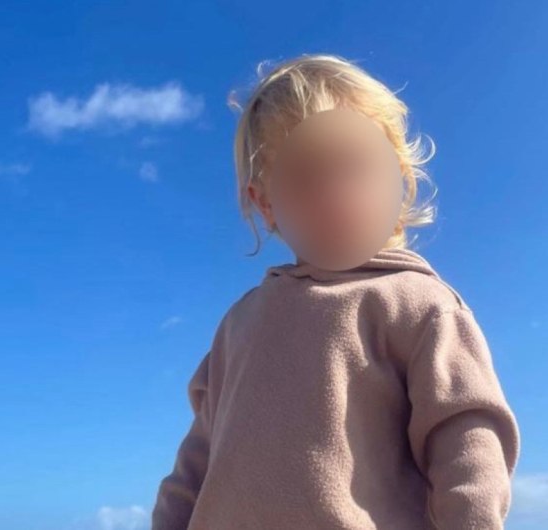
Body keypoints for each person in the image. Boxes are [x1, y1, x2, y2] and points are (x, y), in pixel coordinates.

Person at [151, 53, 520, 529]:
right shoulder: (239, 324)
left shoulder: (418, 303)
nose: (334, 192)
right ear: (266, 203)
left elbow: (466, 435)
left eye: (355, 166)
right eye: (305, 176)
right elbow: (194, 466)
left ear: (397, 178)